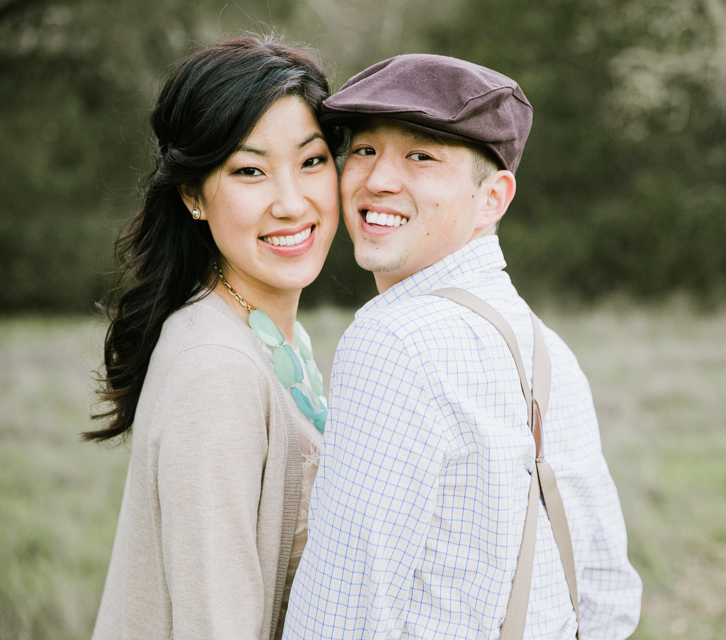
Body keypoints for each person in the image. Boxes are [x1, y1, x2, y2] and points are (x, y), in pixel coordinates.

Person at [284, 54, 642, 639]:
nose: (377, 179)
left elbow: (339, 612)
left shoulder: (392, 341)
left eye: (421, 157)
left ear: (493, 198)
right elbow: (607, 596)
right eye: (365, 150)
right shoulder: (546, 348)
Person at [86, 37, 340, 640]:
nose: (290, 201)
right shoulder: (216, 368)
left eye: (312, 161)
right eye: (250, 170)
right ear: (194, 195)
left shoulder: (275, 338)